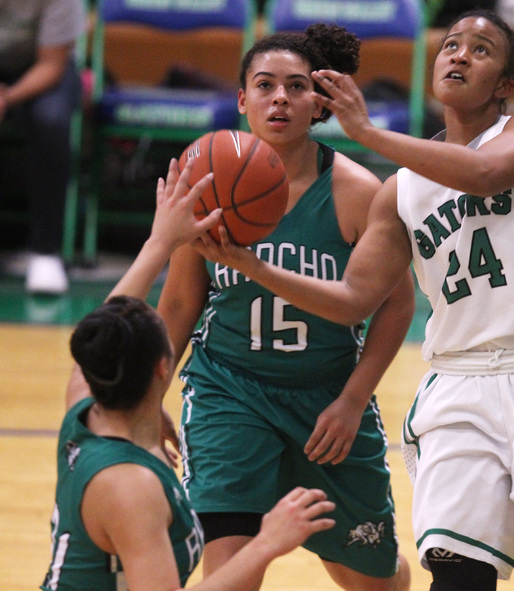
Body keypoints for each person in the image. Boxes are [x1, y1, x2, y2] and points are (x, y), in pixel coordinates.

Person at [192, 10, 514, 591]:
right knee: (459, 578)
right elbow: (352, 301)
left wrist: (365, 134)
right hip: (460, 385)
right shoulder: (399, 192)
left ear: (506, 84)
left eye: (481, 49)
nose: (460, 55)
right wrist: (249, 264)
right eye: (451, 46)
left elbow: (487, 173)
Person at [157, 24, 414, 591]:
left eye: (296, 87)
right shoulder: (206, 178)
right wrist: (147, 397)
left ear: (318, 101)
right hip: (229, 388)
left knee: (372, 580)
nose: (280, 98)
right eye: (265, 85)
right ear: (242, 98)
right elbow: (179, 300)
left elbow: (398, 306)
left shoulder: (355, 190)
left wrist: (352, 402)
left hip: (325, 397)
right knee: (232, 573)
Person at [41, 157, 337, 591]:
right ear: (163, 368)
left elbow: (102, 328)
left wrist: (162, 240)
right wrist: (266, 543)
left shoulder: (84, 413)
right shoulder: (131, 487)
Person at [0, 0, 85, 294]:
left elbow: (52, 64)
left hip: (41, 69)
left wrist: (7, 97)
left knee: (51, 121)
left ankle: (45, 251)